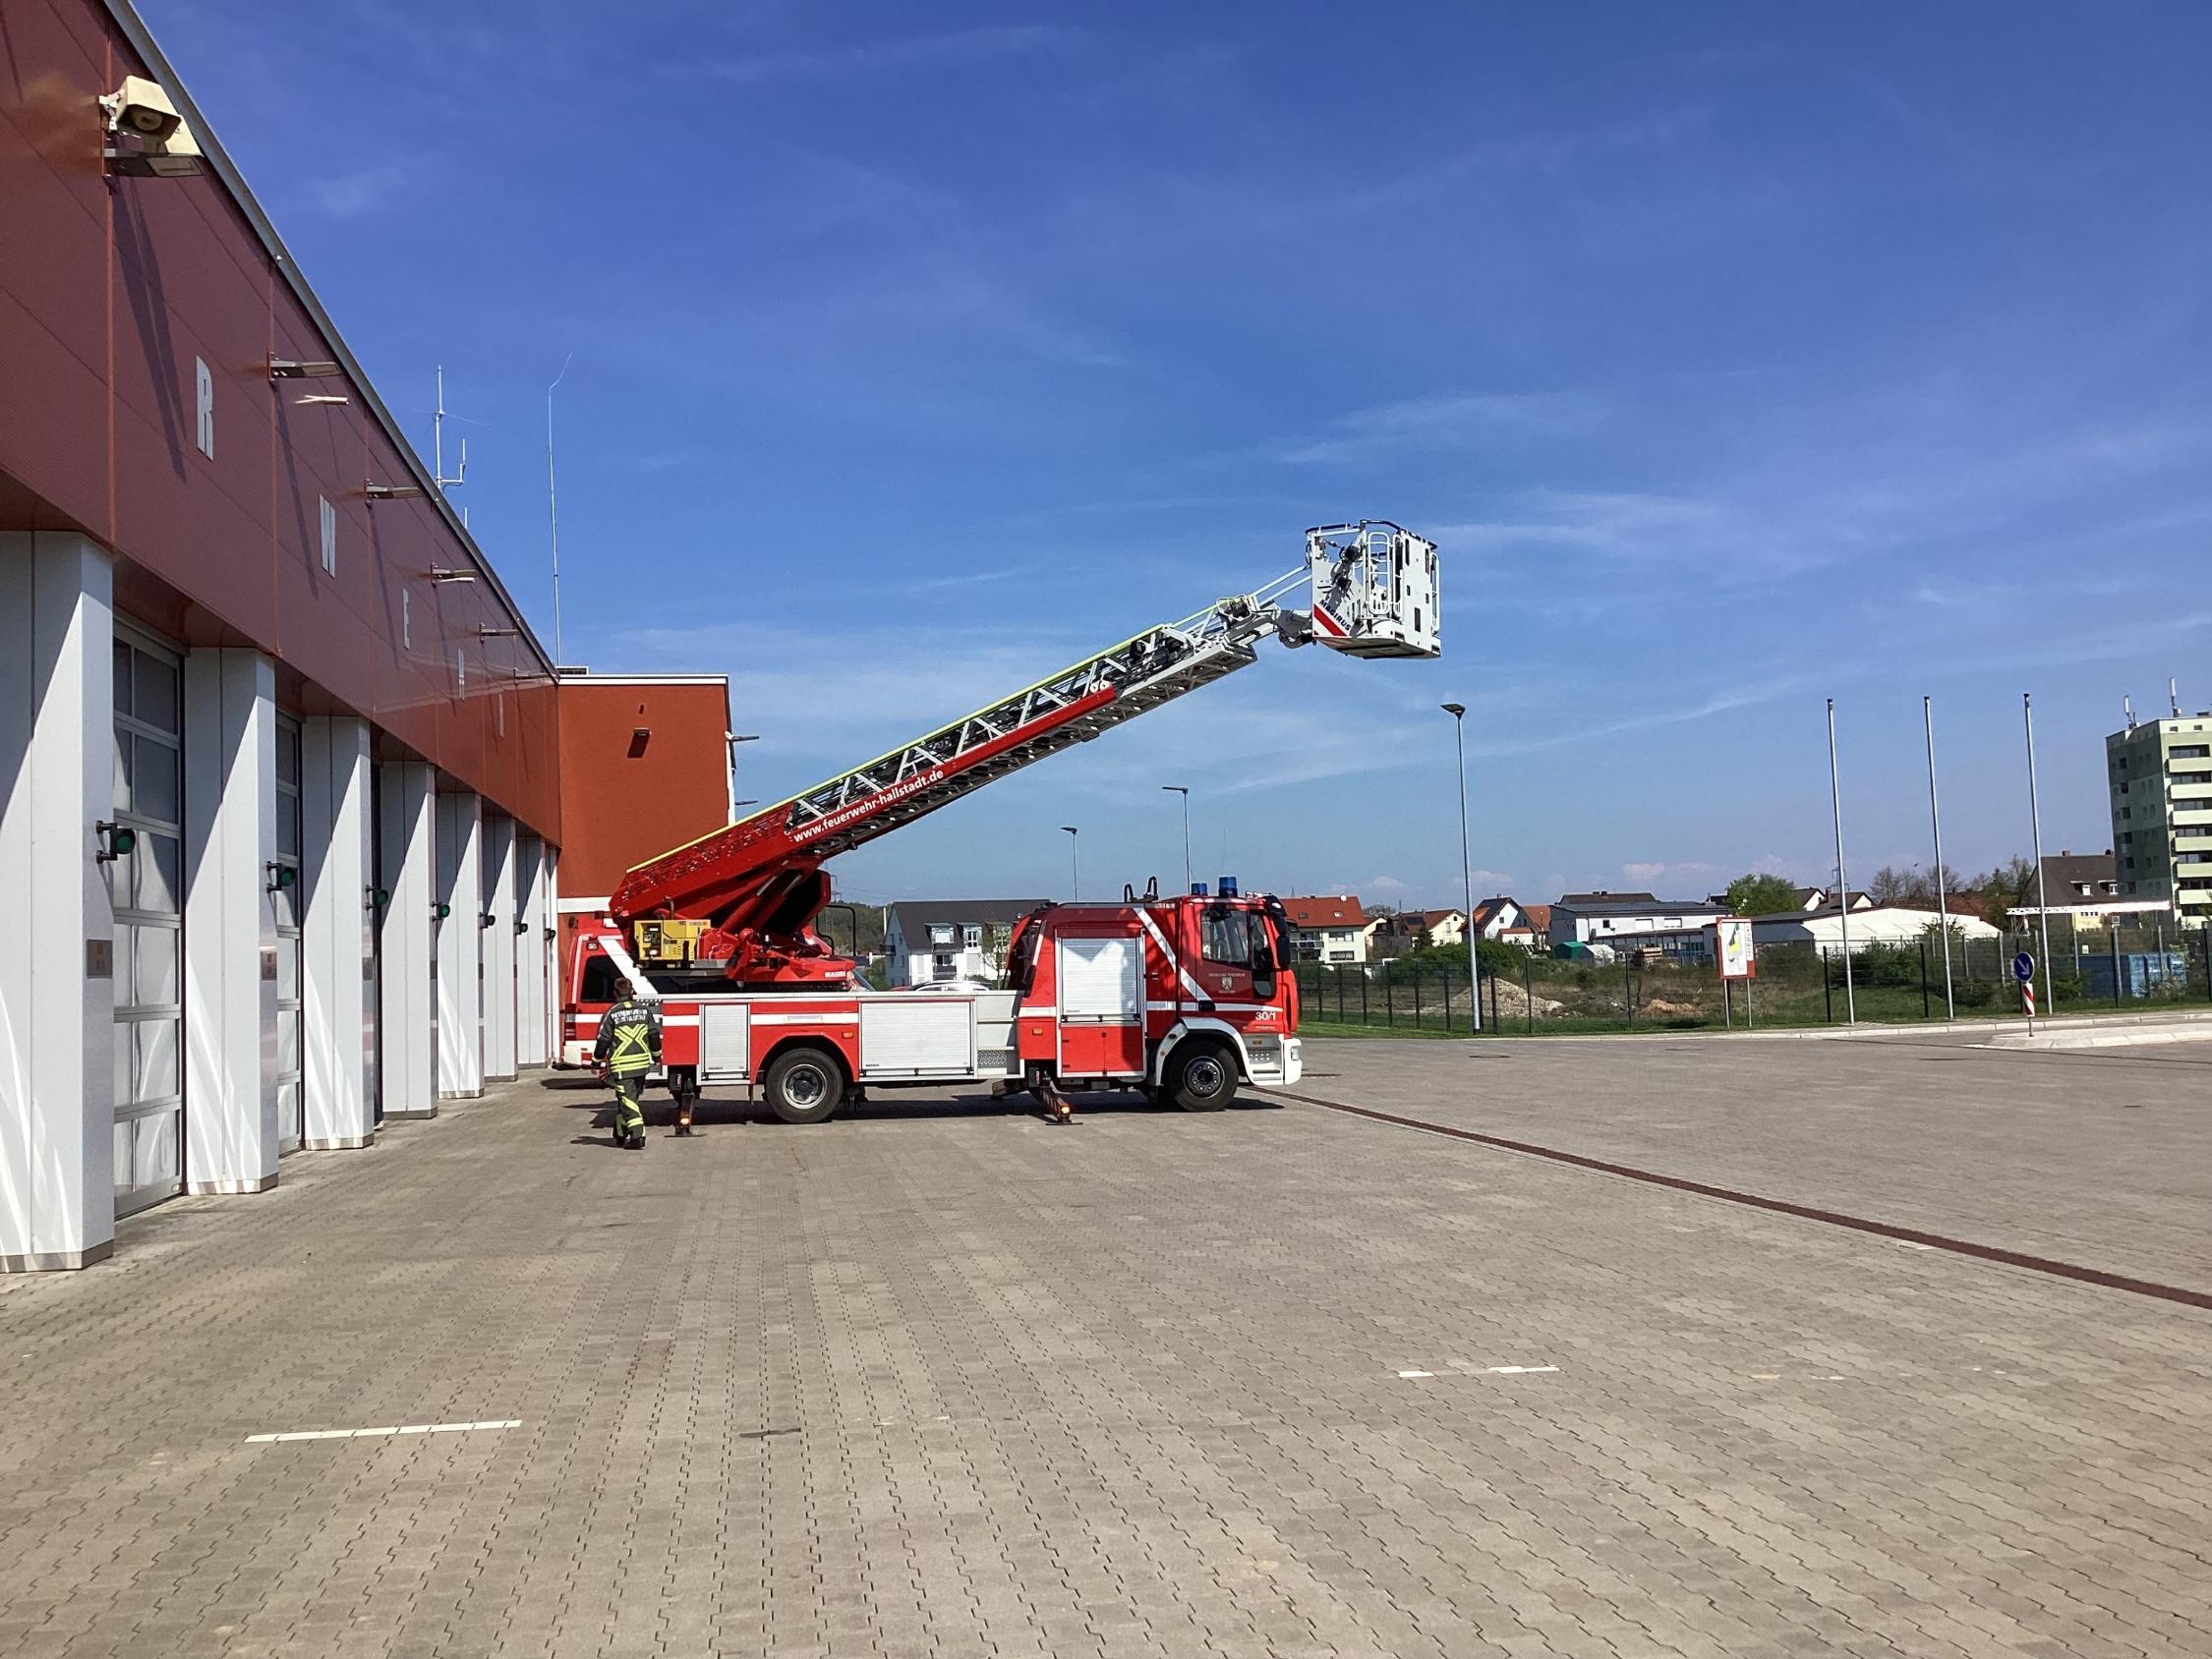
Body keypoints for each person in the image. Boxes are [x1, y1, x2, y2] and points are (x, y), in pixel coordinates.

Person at [593, 986, 663, 1150]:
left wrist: (596, 1061)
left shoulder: (612, 1013)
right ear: (632, 992)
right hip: (641, 1064)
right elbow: (654, 1035)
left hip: (622, 1065)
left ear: (615, 993)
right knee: (630, 1099)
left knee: (628, 1100)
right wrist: (657, 1056)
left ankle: (638, 1135)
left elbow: (603, 1040)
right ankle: (620, 1133)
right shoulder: (645, 1011)